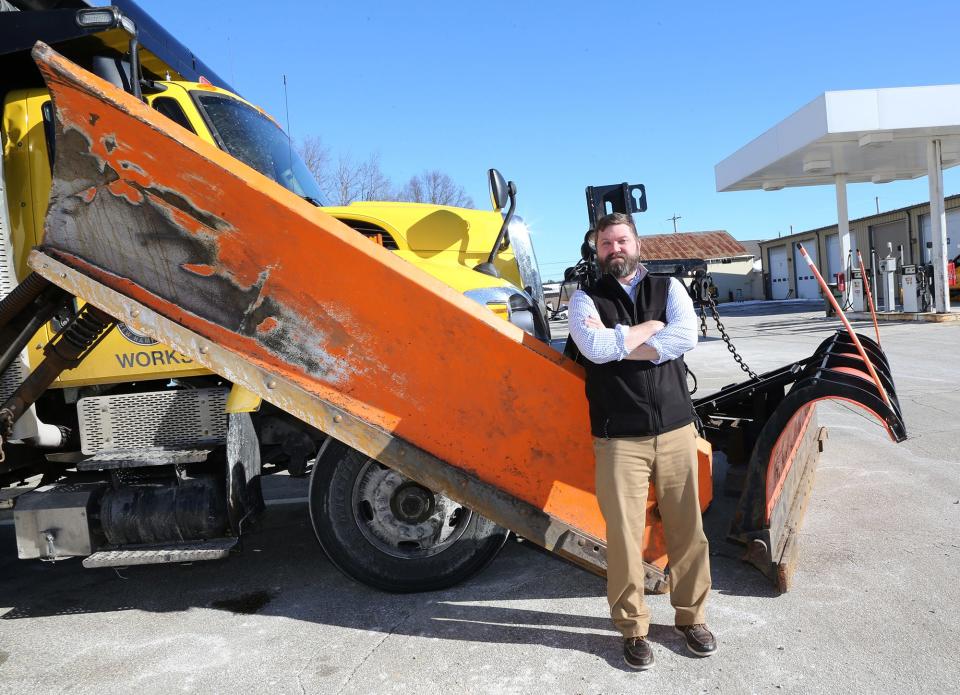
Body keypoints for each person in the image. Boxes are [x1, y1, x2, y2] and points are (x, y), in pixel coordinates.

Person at [568, 212, 715, 671]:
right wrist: (650, 331)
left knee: (687, 530)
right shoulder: (583, 300)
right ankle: (633, 629)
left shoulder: (669, 289)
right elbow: (593, 349)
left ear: (638, 245)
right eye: (606, 243)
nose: (615, 249)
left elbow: (685, 335)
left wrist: (623, 345)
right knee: (625, 538)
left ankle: (692, 617)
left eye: (622, 240)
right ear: (597, 250)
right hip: (618, 440)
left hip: (675, 430)